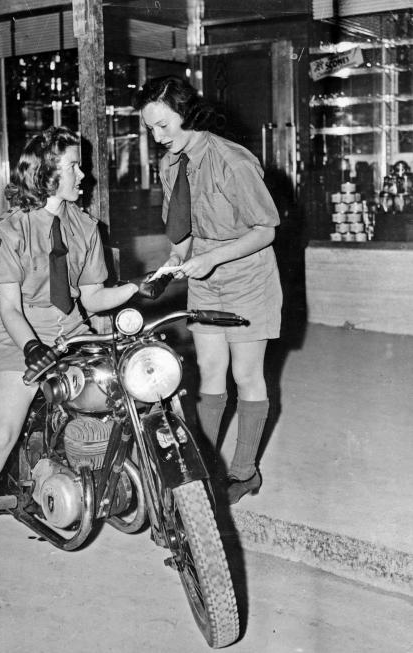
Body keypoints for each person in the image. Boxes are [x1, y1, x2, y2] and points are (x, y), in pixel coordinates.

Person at [0, 126, 139, 611]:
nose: (84, 174)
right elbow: (11, 308)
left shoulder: (85, 226)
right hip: (22, 342)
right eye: (75, 166)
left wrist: (137, 290)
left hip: (75, 336)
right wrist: (33, 348)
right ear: (45, 174)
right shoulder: (10, 228)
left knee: (132, 394)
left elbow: (93, 296)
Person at [133, 76, 282, 505]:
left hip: (247, 277)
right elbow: (183, 232)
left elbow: (266, 229)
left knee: (246, 374)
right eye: (150, 130)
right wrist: (173, 261)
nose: (157, 138)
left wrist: (214, 257)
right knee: (210, 374)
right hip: (203, 277)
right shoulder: (170, 164)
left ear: (188, 114)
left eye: (163, 126)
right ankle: (200, 469)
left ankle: (244, 471)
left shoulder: (232, 161)